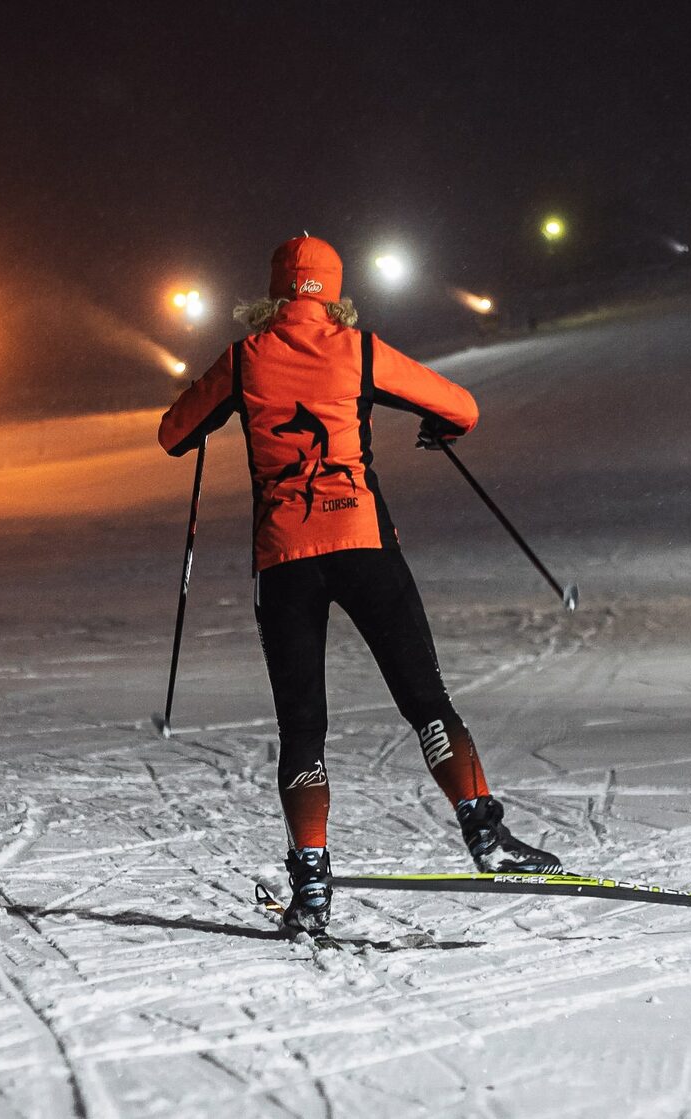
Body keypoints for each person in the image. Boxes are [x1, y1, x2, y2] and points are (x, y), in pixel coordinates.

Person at [158, 235, 560, 934]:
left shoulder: (244, 358)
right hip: (364, 545)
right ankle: (485, 834)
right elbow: (460, 405)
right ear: (333, 289)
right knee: (425, 699)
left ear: (277, 289)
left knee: (302, 728)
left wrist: (218, 415)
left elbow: (172, 433)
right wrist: (439, 426)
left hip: (285, 561)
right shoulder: (359, 349)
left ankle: (311, 888)